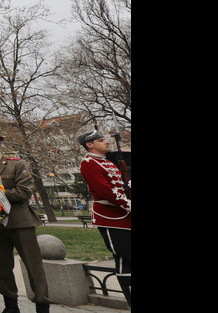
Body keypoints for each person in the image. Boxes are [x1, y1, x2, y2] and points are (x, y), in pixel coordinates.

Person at [0, 131, 50, 313]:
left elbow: (24, 191)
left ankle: (42, 304)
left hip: (20, 220)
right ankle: (10, 305)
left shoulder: (16, 164)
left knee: (33, 265)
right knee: (2, 266)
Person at [77, 128, 131, 307]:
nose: (106, 142)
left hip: (123, 215)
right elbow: (105, 191)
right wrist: (127, 203)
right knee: (124, 255)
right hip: (110, 217)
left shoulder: (107, 162)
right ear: (89, 145)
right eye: (101, 140)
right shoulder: (89, 163)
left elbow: (120, 185)